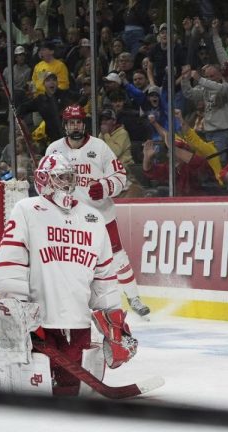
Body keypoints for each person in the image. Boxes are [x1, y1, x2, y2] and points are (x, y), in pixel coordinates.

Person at [0, 153, 137, 396]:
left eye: (70, 178)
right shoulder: (28, 209)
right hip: (39, 324)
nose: (67, 185)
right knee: (39, 391)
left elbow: (104, 276)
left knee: (71, 390)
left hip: (78, 322)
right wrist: (18, 312)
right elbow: (9, 263)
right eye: (60, 179)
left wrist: (114, 322)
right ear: (43, 179)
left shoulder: (93, 218)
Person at [44, 105, 151, 317]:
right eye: (71, 122)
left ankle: (134, 298)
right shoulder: (53, 150)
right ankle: (72, 301)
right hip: (68, 217)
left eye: (79, 122)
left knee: (118, 256)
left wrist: (105, 187)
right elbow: (43, 182)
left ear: (84, 124)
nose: (75, 126)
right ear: (65, 125)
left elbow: (120, 177)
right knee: (70, 259)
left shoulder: (99, 147)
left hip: (101, 215)